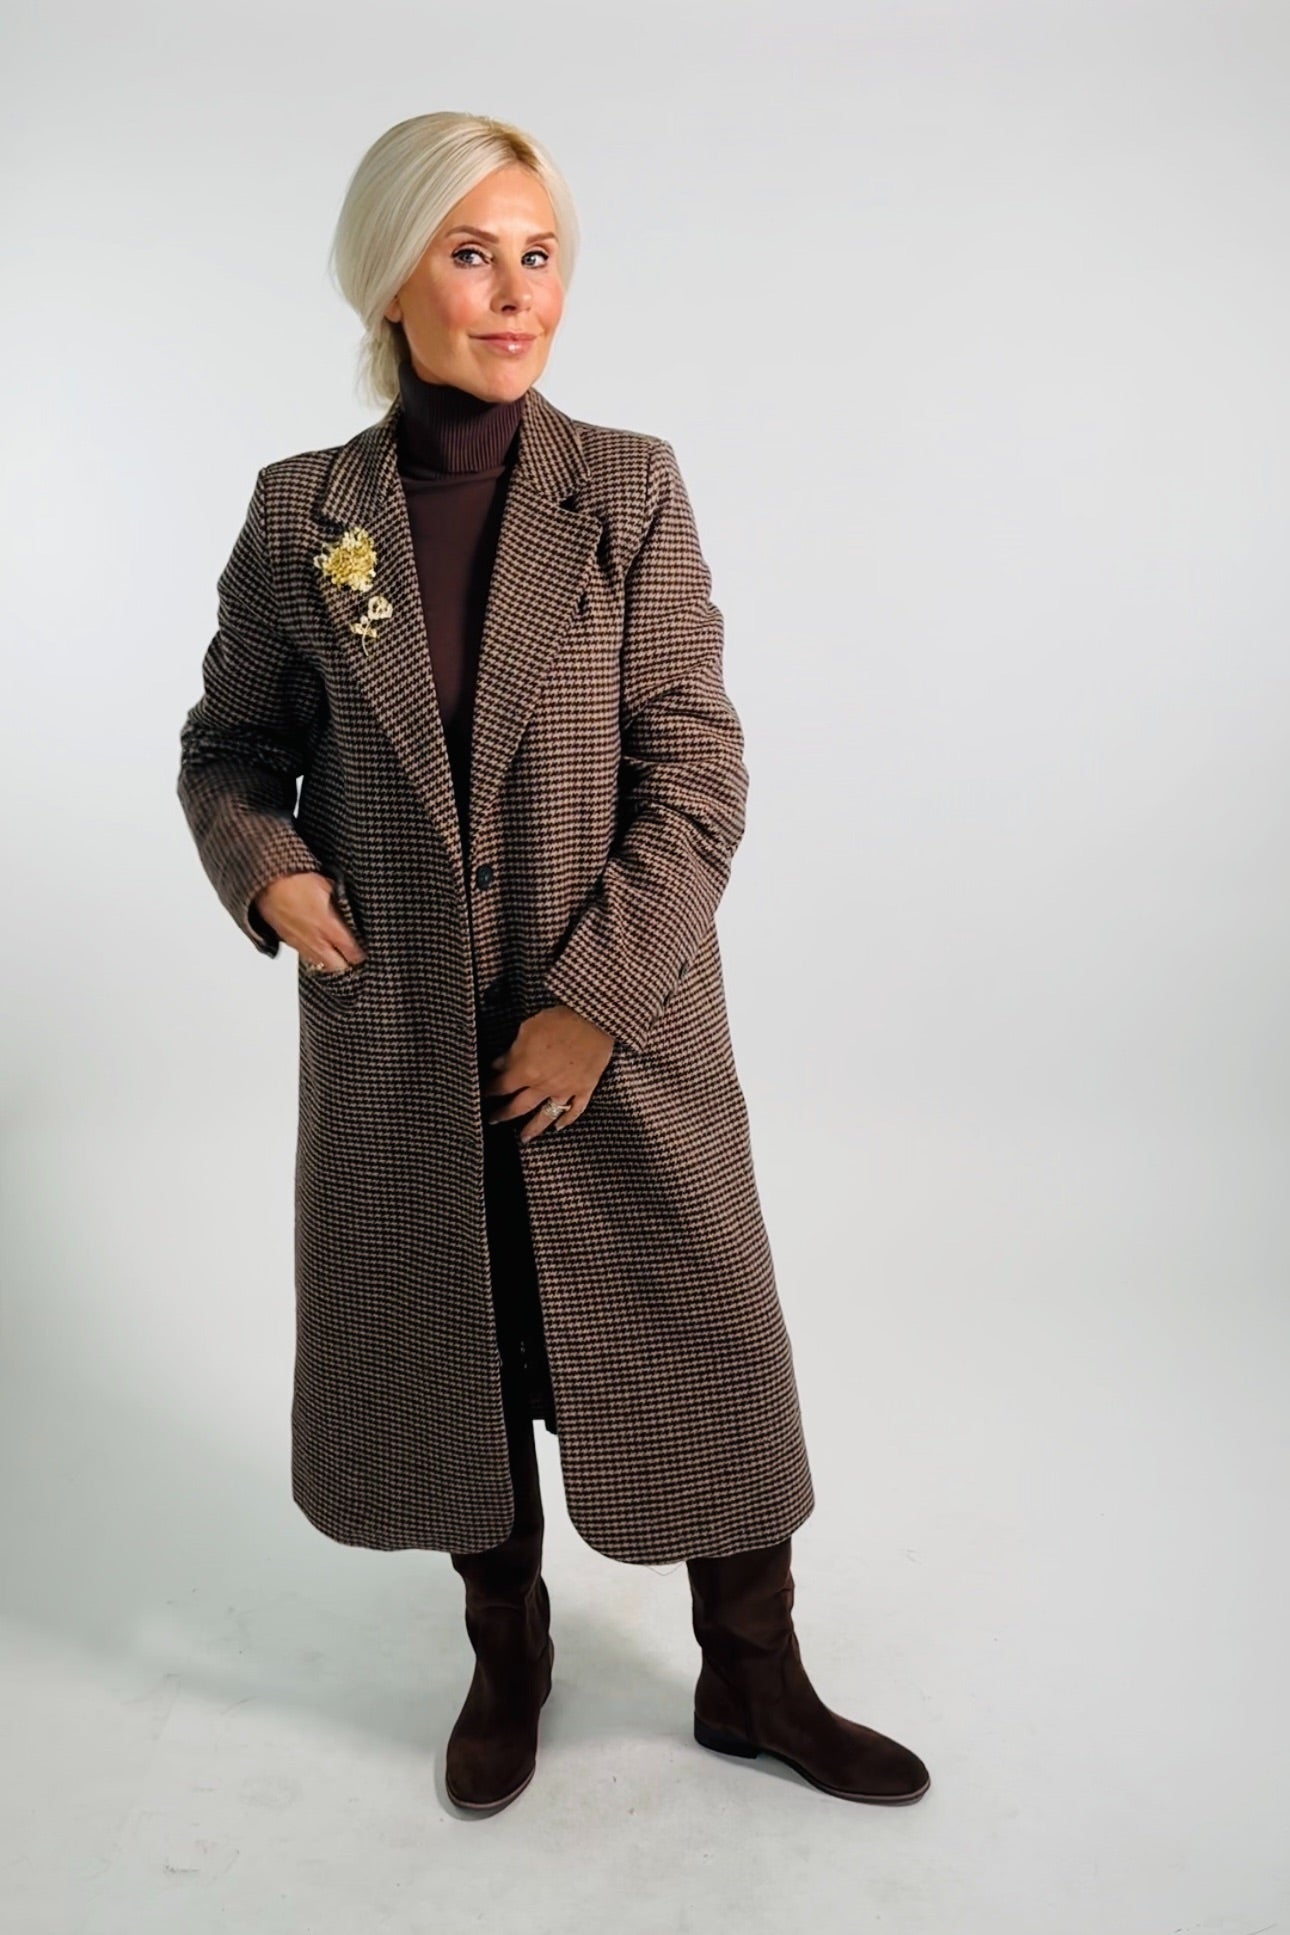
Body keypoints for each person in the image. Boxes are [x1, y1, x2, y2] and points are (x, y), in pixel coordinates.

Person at [176, 110, 930, 1815]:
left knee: (700, 1339)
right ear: (391, 278)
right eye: (472, 254)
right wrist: (269, 872)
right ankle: (506, 1658)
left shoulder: (627, 489)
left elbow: (696, 770)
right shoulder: (304, 516)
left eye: (539, 255)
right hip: (399, 1036)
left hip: (621, 1026)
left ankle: (754, 1674)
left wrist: (593, 1004)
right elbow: (229, 750)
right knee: (458, 1350)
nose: (517, 292)